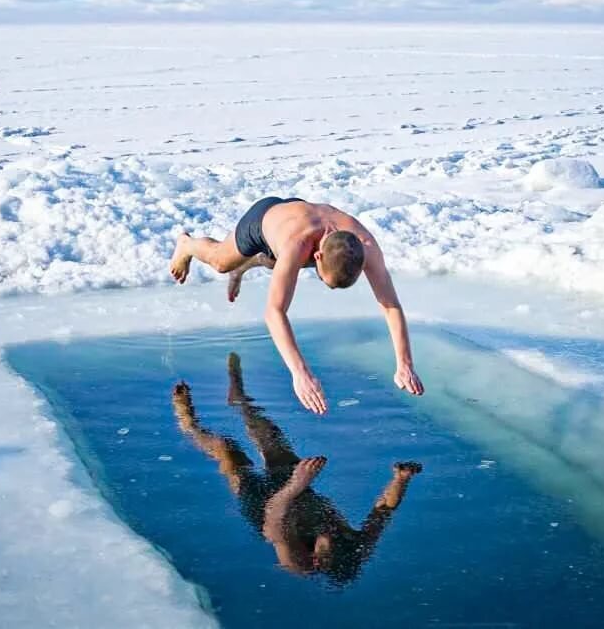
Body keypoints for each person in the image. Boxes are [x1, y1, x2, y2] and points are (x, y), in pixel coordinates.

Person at [171, 353, 422, 584]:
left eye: (328, 543)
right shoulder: (355, 547)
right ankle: (240, 399)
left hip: (263, 503)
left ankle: (188, 423)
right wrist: (401, 479)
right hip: (299, 489)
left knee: (227, 450)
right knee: (268, 434)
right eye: (337, 538)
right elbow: (383, 512)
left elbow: (273, 520)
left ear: (316, 558)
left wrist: (297, 484)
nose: (331, 533)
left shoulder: (296, 562)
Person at [169, 196, 424, 413]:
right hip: (265, 220)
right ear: (317, 257)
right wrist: (300, 373)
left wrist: (405, 364)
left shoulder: (365, 245)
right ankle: (187, 244)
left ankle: (245, 266)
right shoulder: (298, 244)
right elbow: (274, 312)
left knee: (276, 264)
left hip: (296, 221)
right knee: (220, 263)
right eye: (327, 281)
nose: (328, 288)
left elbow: (390, 305)